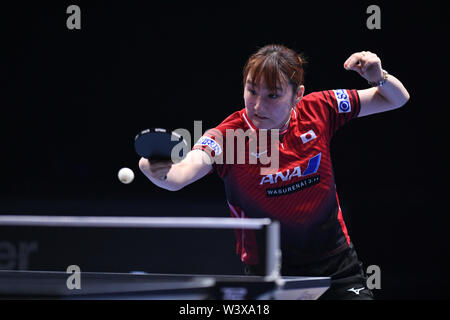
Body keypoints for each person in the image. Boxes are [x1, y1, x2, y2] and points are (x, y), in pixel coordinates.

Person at [138, 44, 410, 300]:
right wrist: (154, 168)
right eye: (251, 90)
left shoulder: (320, 109)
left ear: (298, 95)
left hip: (336, 264)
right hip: (269, 272)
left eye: (272, 95)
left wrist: (379, 76)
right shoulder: (229, 137)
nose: (257, 105)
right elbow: (180, 176)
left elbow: (397, 99)